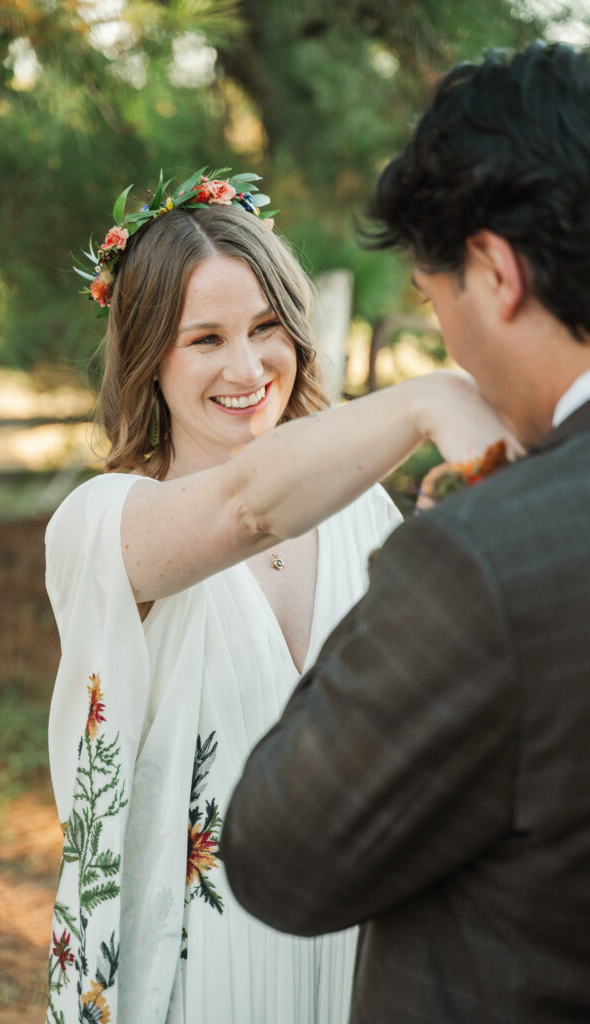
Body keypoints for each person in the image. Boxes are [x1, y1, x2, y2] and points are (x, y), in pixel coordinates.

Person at [44, 168, 516, 1024]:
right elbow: (246, 507)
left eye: (266, 327)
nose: (246, 365)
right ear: (148, 358)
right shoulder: (101, 525)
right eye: (204, 339)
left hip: (355, 952)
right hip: (190, 968)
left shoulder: (364, 516)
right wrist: (431, 398)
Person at [220, 42, 590, 1024]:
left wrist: (435, 555)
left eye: (434, 303)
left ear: (496, 272)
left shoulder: (480, 554)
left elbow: (277, 853)